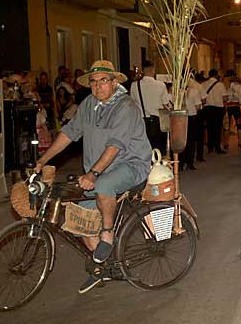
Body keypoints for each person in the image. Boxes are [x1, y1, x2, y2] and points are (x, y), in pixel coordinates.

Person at [34, 60, 151, 293]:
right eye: (93, 82)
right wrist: (42, 160)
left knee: (104, 185)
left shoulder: (126, 107)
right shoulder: (88, 104)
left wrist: (94, 173)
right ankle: (103, 269)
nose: (98, 86)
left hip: (130, 165)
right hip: (99, 171)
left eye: (103, 80)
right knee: (81, 222)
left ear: (114, 82)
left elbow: (115, 146)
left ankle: (107, 233)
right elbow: (68, 134)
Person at [131, 61, 170, 152]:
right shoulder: (161, 85)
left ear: (142, 71)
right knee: (157, 149)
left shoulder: (134, 85)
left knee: (143, 149)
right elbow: (166, 104)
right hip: (157, 121)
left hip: (141, 122)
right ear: (153, 70)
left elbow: (132, 104)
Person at [202, 69, 227, 155]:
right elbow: (225, 98)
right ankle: (217, 147)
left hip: (207, 108)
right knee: (218, 128)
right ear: (216, 75)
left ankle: (210, 148)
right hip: (218, 108)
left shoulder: (203, 84)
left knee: (209, 128)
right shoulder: (220, 85)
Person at [180, 79, 203, 171]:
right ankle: (190, 162)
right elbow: (198, 106)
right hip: (191, 117)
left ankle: (181, 162)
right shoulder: (194, 91)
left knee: (181, 140)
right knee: (191, 140)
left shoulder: (176, 91)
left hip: (180, 118)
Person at [223, 71, 241, 149]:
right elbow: (240, 96)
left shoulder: (223, 85)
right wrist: (240, 102)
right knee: (239, 124)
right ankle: (240, 142)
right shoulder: (238, 85)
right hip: (236, 106)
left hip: (227, 106)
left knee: (226, 124)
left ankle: (226, 143)